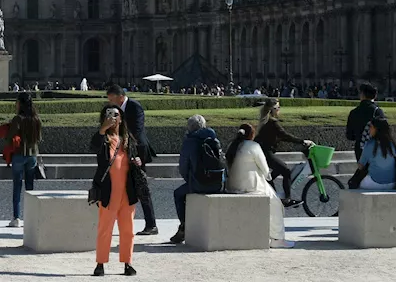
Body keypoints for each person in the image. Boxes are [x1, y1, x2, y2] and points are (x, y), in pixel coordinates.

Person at [90, 104, 141, 277]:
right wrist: (102, 129)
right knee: (105, 229)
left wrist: (138, 162)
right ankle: (100, 263)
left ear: (121, 118)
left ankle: (127, 263)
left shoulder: (128, 139)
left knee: (128, 230)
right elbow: (93, 147)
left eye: (116, 115)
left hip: (128, 192)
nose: (113, 118)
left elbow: (140, 156)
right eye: (108, 115)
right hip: (108, 191)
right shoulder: (102, 139)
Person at [226, 123, 289, 248]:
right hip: (251, 186)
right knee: (276, 204)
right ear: (252, 134)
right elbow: (265, 170)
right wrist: (268, 177)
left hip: (232, 185)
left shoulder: (233, 146)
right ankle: (277, 238)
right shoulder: (253, 146)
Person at [107, 83, 158, 235]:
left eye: (112, 99)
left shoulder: (134, 106)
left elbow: (137, 131)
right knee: (120, 187)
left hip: (136, 152)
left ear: (120, 97)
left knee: (142, 188)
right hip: (122, 152)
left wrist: (133, 154)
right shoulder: (115, 110)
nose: (110, 102)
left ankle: (151, 225)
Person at [168, 115, 224, 245]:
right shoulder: (214, 138)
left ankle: (184, 226)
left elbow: (183, 167)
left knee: (178, 194)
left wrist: (190, 180)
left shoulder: (190, 141)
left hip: (200, 184)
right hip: (218, 183)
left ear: (190, 127)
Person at [255, 98, 312, 207]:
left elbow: (281, 136)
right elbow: (284, 135)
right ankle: (287, 199)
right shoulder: (272, 122)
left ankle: (272, 193)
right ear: (273, 110)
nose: (280, 110)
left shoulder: (267, 121)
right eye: (278, 108)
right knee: (285, 170)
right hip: (265, 153)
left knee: (275, 172)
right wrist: (302, 141)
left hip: (262, 152)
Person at [6, 92, 42, 228]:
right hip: (32, 155)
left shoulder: (18, 119)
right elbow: (38, 138)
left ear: (20, 103)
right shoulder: (36, 119)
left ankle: (16, 218)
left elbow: (9, 137)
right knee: (30, 188)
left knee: (17, 187)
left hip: (19, 155)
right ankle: (31, 217)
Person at [357, 112, 396, 191]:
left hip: (374, 182)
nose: (369, 129)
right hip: (392, 182)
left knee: (357, 185)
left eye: (371, 127)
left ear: (376, 129)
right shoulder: (393, 144)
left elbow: (361, 166)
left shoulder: (370, 144)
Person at [346, 83, 381, 162]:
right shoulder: (377, 111)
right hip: (374, 148)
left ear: (362, 95)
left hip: (360, 148)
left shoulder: (354, 112)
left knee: (362, 171)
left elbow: (349, 136)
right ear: (374, 96)